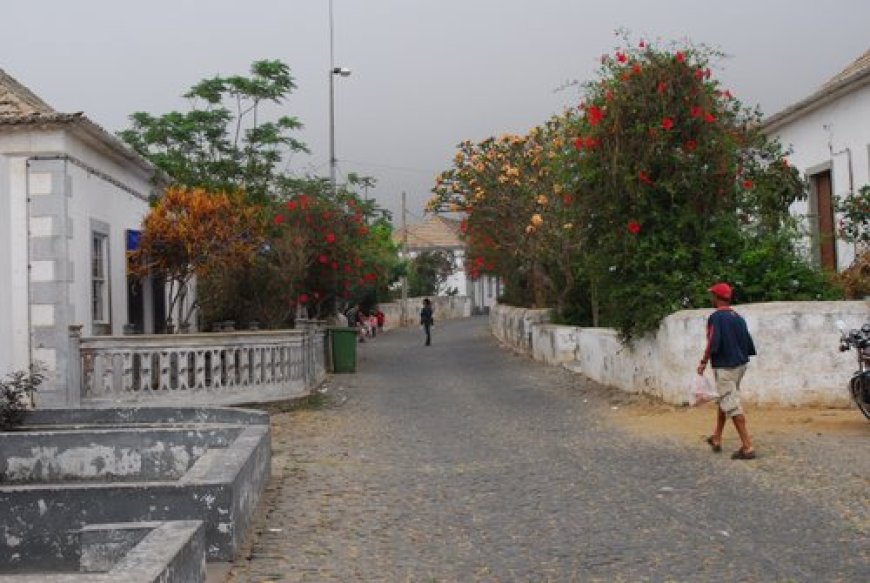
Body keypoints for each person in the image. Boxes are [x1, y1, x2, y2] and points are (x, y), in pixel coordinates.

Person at [697, 282, 758, 460]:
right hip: (740, 365)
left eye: (712, 296)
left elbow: (712, 341)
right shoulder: (738, 317)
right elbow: (747, 342)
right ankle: (717, 437)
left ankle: (747, 447)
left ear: (716, 298)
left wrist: (703, 362)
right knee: (726, 398)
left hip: (725, 366)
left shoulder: (716, 317)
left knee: (731, 403)